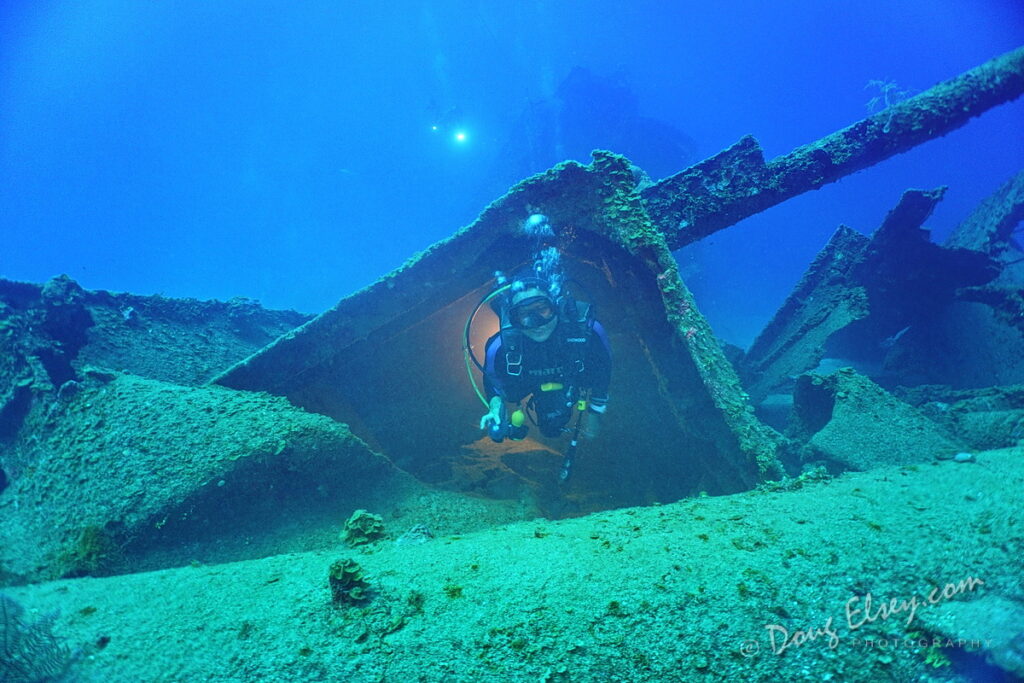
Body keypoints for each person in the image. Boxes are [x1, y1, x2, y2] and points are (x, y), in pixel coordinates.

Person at [479, 275, 612, 444]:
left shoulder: (588, 331)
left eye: (542, 309)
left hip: (574, 378)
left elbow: (603, 372)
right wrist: (495, 405)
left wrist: (595, 414)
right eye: (523, 315)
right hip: (528, 384)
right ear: (514, 319)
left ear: (555, 306)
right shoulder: (498, 347)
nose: (536, 324)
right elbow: (493, 381)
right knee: (512, 394)